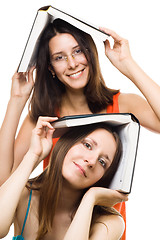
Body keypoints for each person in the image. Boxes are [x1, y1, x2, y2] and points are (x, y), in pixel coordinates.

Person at [0, 18, 160, 239]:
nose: (72, 63)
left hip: (101, 230)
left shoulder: (122, 104)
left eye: (77, 51)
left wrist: (127, 64)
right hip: (52, 226)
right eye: (59, 57)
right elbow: (5, 183)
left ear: (90, 53)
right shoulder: (45, 117)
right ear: (51, 68)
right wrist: (16, 101)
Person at [0, 116, 128, 240]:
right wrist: (33, 155)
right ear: (68, 142)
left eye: (102, 162)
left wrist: (90, 198)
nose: (92, 161)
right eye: (87, 145)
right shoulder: (25, 195)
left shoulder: (110, 222)